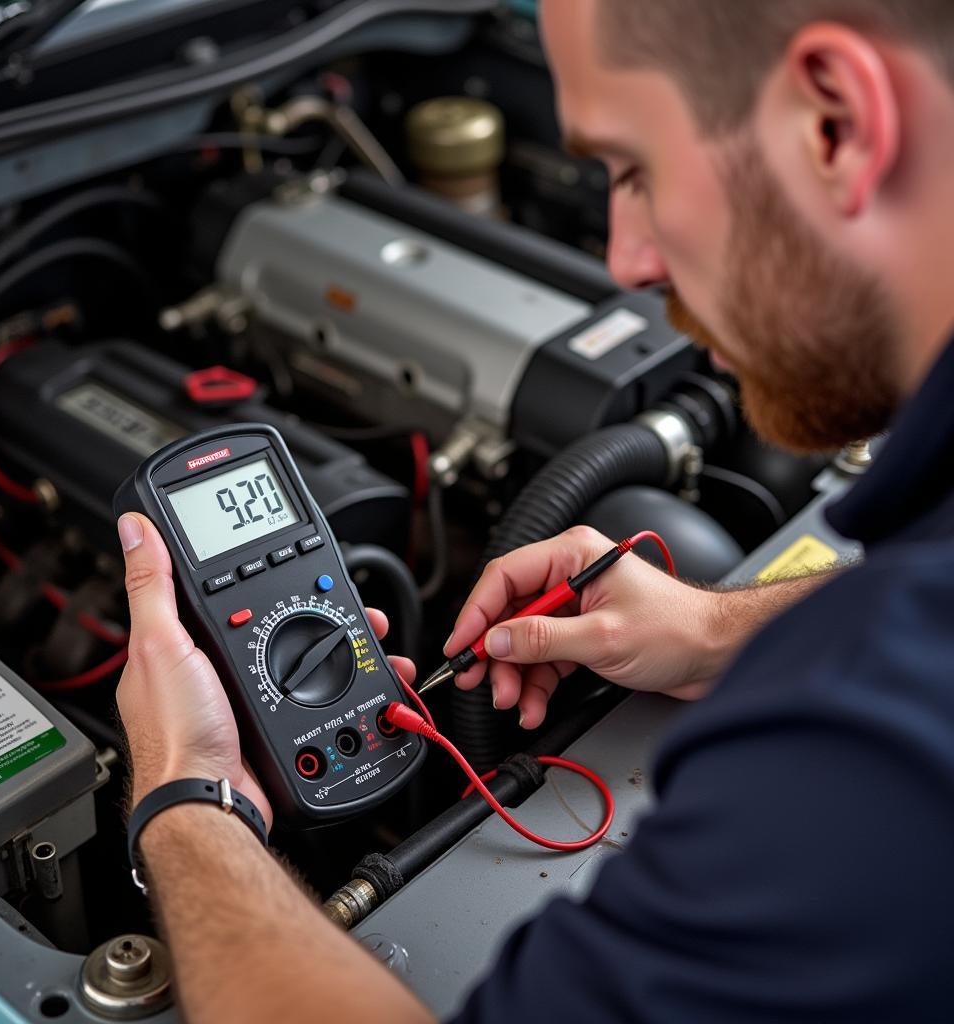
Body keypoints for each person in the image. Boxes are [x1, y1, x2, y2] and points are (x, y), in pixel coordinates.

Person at [114, 0, 954, 1019]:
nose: (627, 261)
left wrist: (186, 796)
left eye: (633, 170)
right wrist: (714, 628)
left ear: (835, 121)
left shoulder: (867, 758)